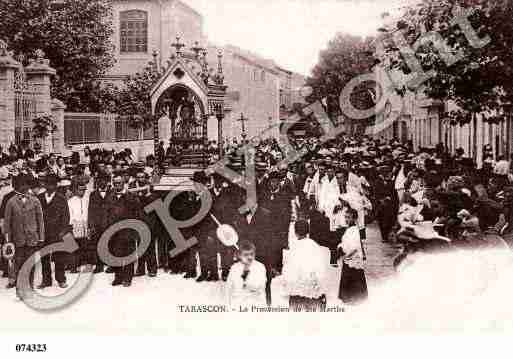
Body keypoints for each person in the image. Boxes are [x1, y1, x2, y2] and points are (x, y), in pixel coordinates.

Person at [4, 174, 45, 293]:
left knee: (31, 264)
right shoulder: (10, 202)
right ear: (17, 187)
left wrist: (41, 238)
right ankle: (20, 289)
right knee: (19, 264)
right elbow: (7, 224)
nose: (24, 187)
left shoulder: (35, 200)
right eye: (21, 185)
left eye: (26, 185)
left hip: (32, 239)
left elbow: (40, 221)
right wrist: (8, 241)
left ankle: (30, 289)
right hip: (18, 240)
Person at [282, 220, 328, 312]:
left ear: (295, 232)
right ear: (308, 231)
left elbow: (287, 272)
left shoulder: (293, 249)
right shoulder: (315, 247)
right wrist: (322, 291)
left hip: (296, 293)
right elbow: (321, 271)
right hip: (312, 292)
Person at [38, 174, 70, 289]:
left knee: (59, 258)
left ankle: (61, 279)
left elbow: (66, 216)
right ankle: (46, 281)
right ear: (45, 185)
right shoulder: (40, 197)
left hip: (57, 233)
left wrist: (63, 230)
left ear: (56, 185)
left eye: (52, 184)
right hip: (44, 233)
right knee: (44, 258)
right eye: (48, 184)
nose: (50, 186)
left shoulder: (61, 198)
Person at [337, 208, 368, 305]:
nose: (346, 219)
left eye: (348, 218)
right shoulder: (350, 229)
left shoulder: (354, 230)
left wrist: (346, 256)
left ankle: (353, 299)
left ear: (354, 219)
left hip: (351, 259)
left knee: (353, 278)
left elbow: (355, 247)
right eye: (345, 217)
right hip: (349, 259)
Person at [225, 240, 267, 311]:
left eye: (252, 254)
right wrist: (228, 306)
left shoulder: (260, 267)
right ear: (239, 256)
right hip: (238, 304)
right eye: (246, 255)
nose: (249, 257)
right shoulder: (234, 268)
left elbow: (261, 285)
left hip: (256, 303)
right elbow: (229, 288)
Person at [68, 179, 90, 273]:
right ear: (76, 190)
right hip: (75, 225)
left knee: (84, 246)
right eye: (80, 190)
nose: (82, 192)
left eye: (84, 190)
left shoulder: (87, 200)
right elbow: (70, 214)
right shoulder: (71, 201)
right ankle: (73, 266)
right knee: (74, 247)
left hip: (85, 224)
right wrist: (72, 225)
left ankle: (83, 265)